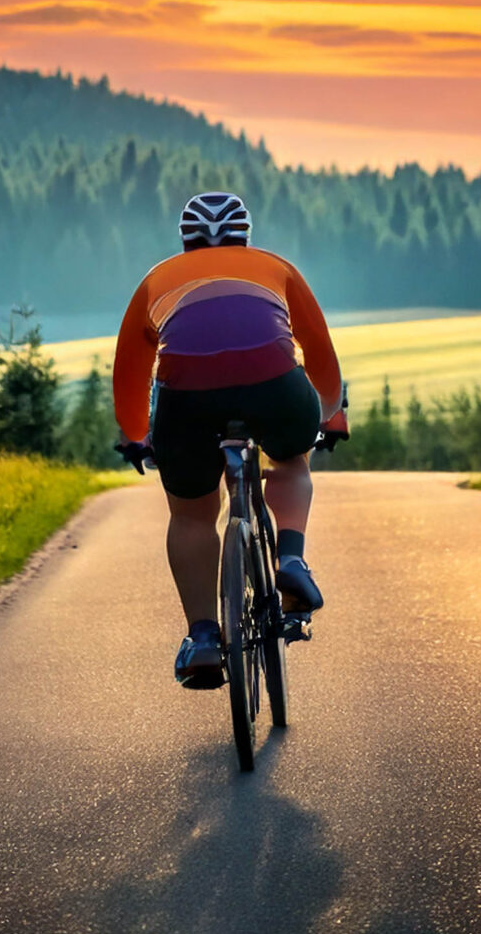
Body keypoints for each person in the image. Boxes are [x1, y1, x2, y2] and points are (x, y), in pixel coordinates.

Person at [113, 191, 348, 689]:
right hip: (275, 388)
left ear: (184, 240)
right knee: (289, 461)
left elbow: (129, 373)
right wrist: (328, 416)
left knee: (192, 513)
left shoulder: (155, 280)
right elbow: (320, 350)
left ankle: (202, 637)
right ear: (246, 235)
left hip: (186, 398)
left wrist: (136, 436)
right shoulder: (276, 268)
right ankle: (290, 558)